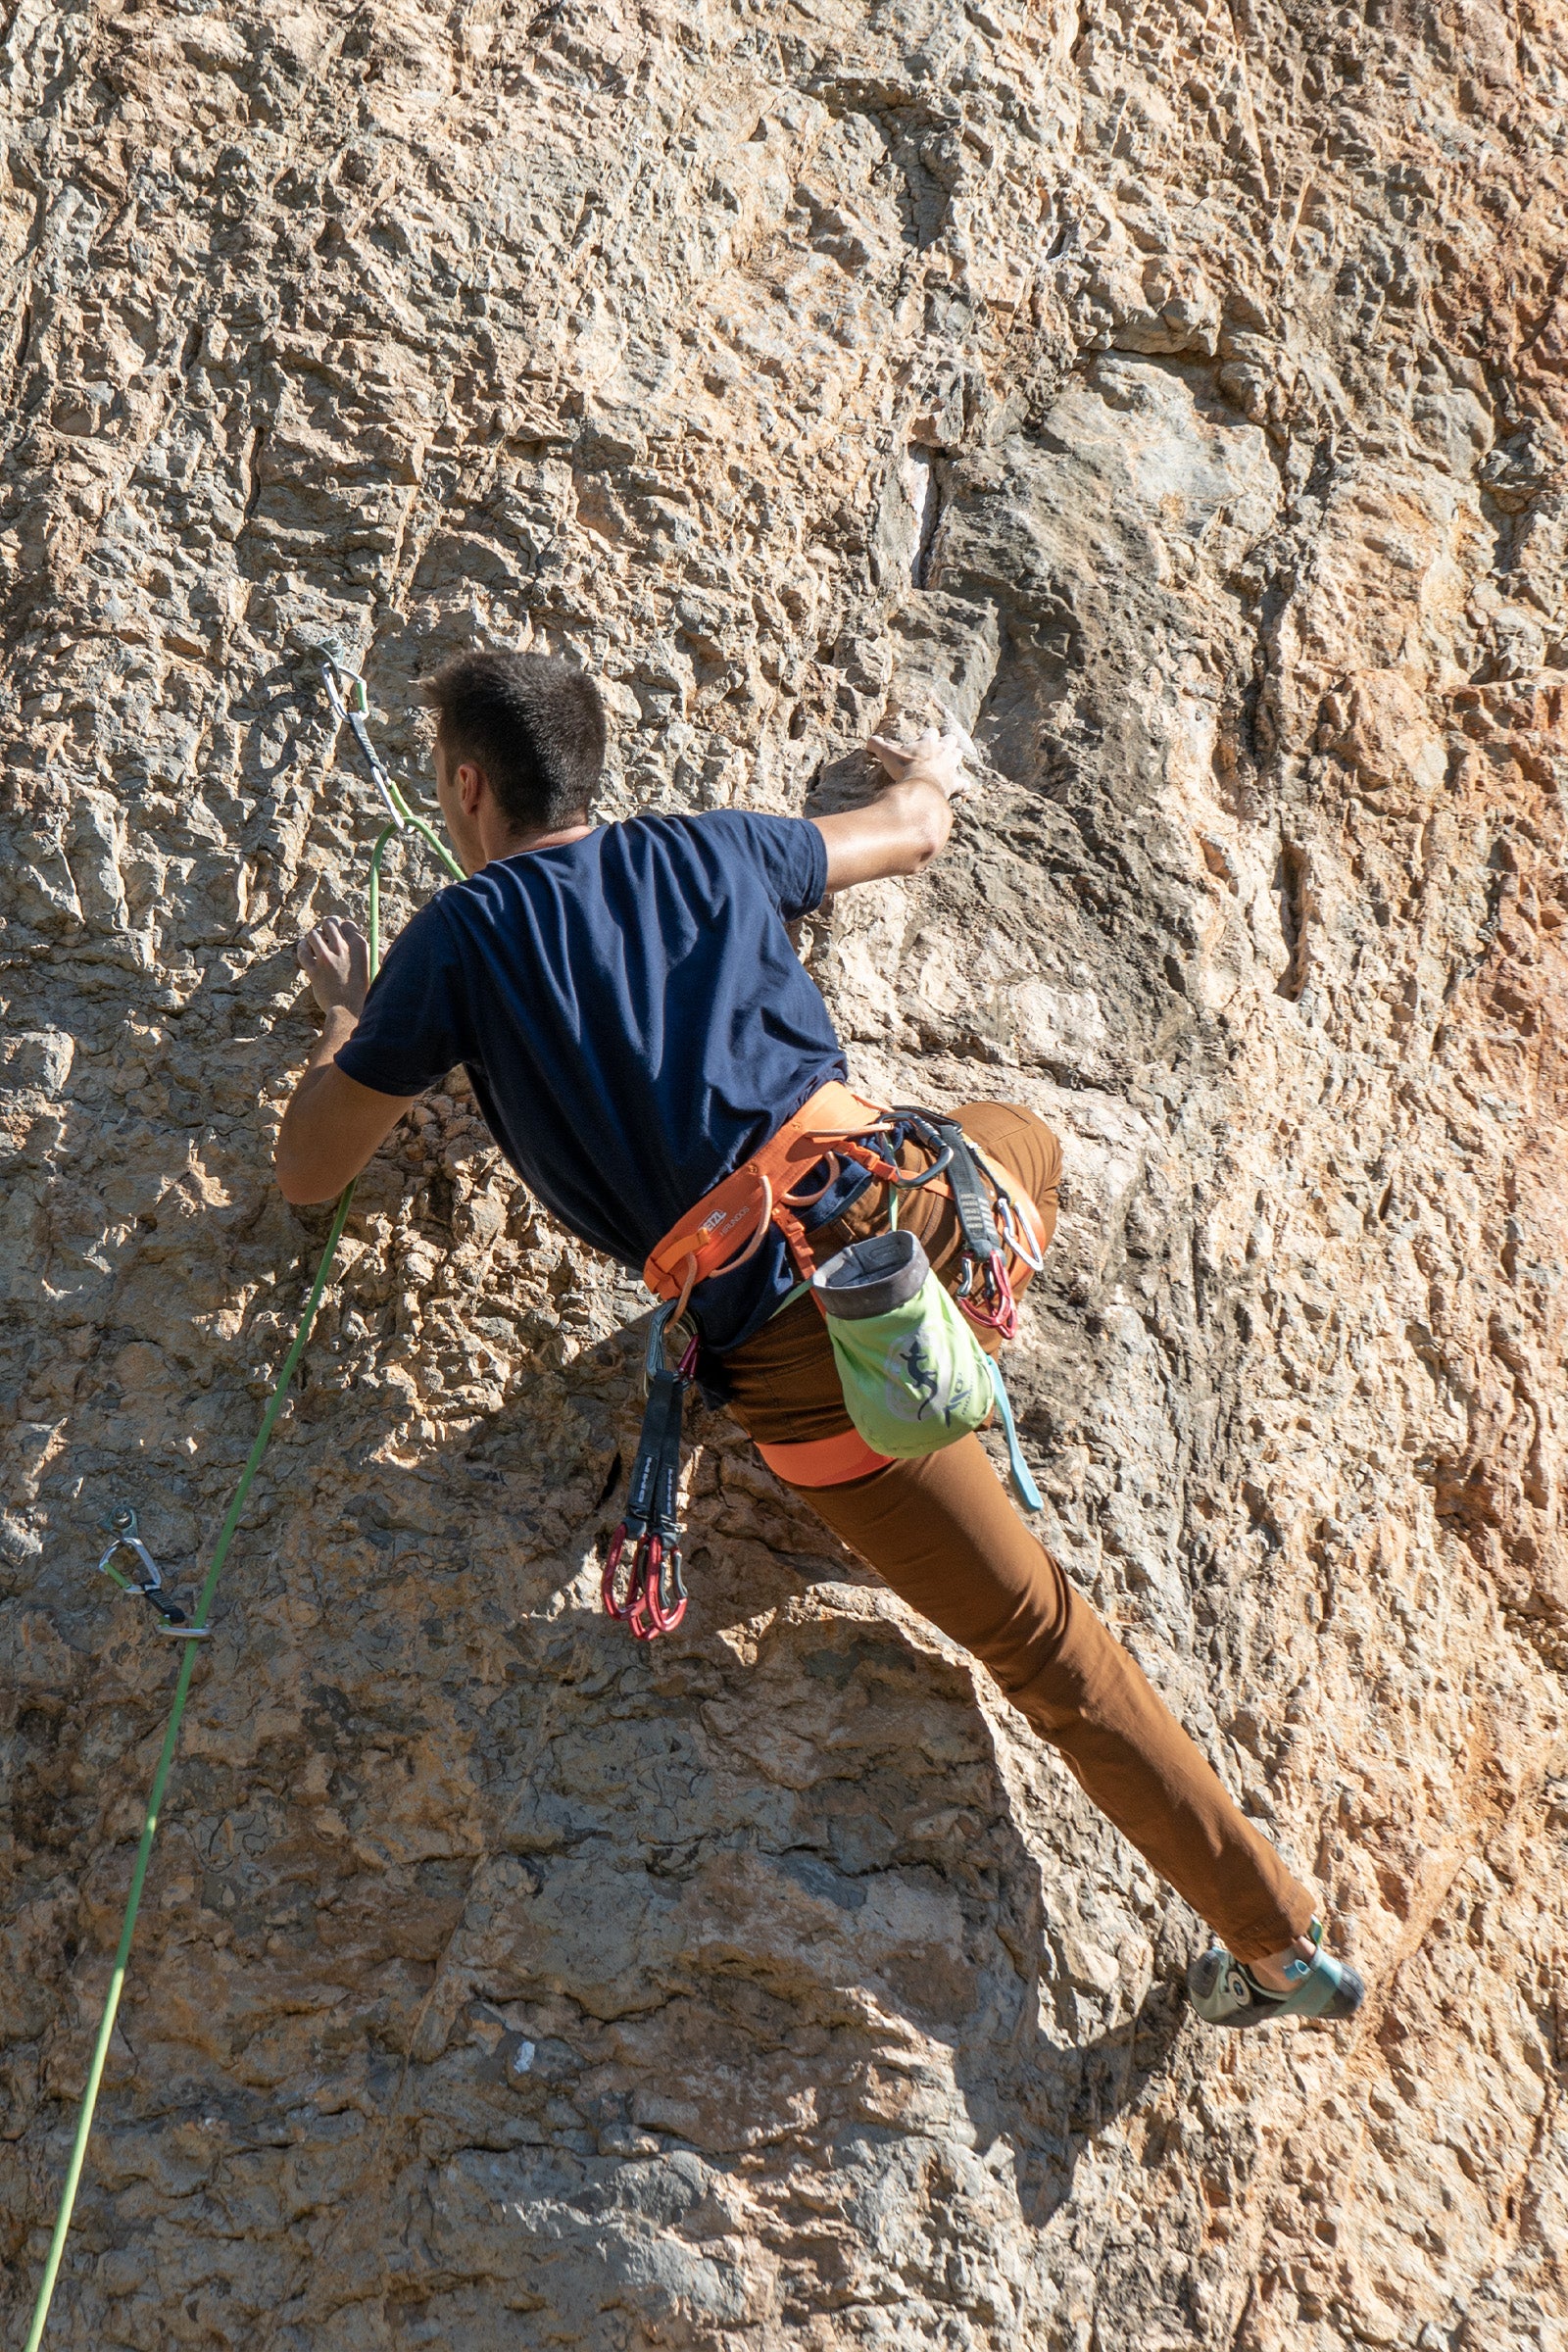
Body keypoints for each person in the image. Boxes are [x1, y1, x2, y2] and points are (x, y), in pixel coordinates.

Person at [275, 649, 1363, 2031]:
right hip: (918, 1201)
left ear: (468, 784)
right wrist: (931, 765)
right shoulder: (710, 851)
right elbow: (912, 830)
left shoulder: (461, 936)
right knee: (1026, 1139)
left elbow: (310, 1171)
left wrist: (355, 1031)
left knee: (1047, 1644)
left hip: (796, 1340)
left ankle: (1281, 1946)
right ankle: (958, 1316)